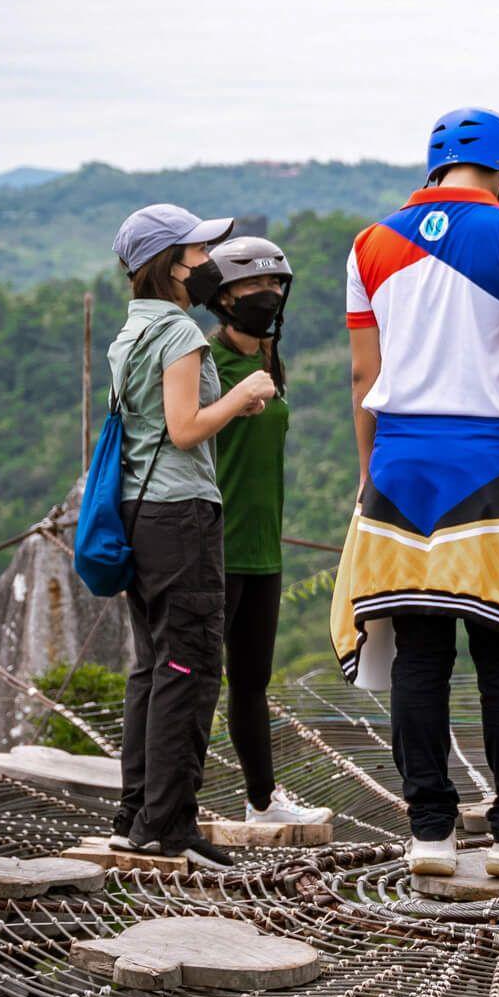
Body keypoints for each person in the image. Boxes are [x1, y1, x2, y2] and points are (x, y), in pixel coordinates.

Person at [330, 107, 499, 881]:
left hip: (400, 465)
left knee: (419, 656)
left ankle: (430, 834)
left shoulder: (369, 245)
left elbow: (364, 378)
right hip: (490, 465)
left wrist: (371, 471)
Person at [107, 204, 278, 871]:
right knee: (191, 665)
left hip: (139, 511)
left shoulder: (133, 329)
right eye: (197, 251)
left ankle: (136, 815)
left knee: (153, 666)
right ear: (169, 263)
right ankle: (172, 825)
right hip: (181, 514)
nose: (208, 262)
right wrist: (244, 394)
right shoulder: (177, 330)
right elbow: (184, 428)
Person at [201, 235, 332, 829]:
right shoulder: (203, 364)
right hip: (210, 545)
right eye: (254, 287)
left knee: (250, 681)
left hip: (262, 548)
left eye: (276, 285)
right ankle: (171, 798)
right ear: (224, 298)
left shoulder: (268, 360)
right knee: (194, 680)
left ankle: (261, 800)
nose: (269, 296)